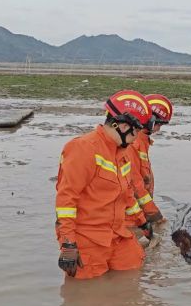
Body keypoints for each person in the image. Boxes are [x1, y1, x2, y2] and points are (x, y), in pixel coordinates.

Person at [54, 90, 152, 279]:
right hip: (87, 239)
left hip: (117, 235)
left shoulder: (122, 152)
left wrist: (143, 221)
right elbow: (66, 201)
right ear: (123, 126)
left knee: (134, 268)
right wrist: (68, 244)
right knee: (88, 296)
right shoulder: (83, 148)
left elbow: (127, 195)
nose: (136, 139)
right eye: (136, 132)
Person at [124, 94, 173, 238]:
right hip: (129, 219)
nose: (158, 129)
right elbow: (135, 183)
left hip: (138, 214)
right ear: (150, 120)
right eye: (159, 124)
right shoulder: (133, 142)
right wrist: (154, 214)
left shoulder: (142, 140)